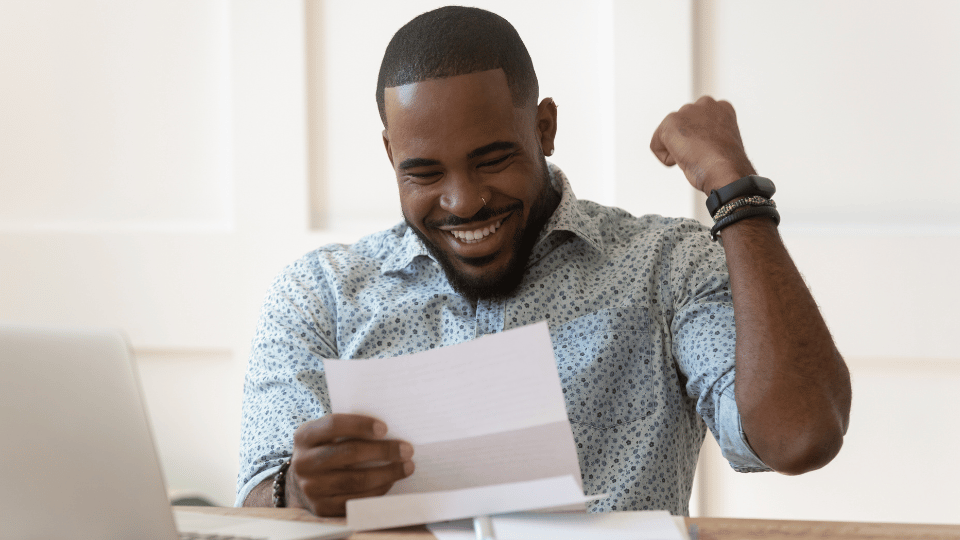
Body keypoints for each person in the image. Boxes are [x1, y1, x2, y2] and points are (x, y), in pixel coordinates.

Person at [237, 6, 851, 517]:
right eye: (423, 172)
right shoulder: (319, 296)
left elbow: (798, 435)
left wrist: (735, 189)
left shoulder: (667, 267)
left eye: (492, 159)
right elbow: (257, 499)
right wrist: (298, 489)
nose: (464, 201)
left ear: (545, 127)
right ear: (390, 152)